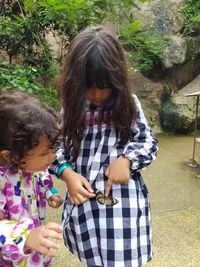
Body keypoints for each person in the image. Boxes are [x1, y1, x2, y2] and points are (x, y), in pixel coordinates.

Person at [50, 25, 158, 267]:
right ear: (75, 81)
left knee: (123, 258)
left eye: (104, 85)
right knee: (92, 258)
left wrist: (127, 160)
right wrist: (66, 172)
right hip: (85, 208)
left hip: (123, 212)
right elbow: (53, 150)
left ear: (117, 78)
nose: (97, 94)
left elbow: (148, 142)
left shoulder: (129, 104)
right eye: (89, 86)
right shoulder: (71, 108)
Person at [0, 90, 63, 267]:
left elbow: (40, 174)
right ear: (10, 156)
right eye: (44, 153)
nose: (52, 156)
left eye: (52, 148)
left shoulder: (26, 164)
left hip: (33, 248)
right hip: (11, 258)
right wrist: (26, 236)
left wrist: (50, 191)